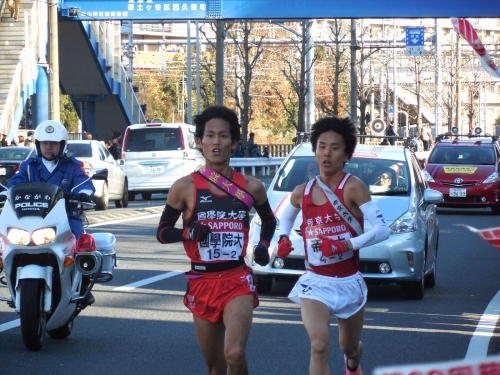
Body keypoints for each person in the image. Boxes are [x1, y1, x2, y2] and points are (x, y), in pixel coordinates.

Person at [156, 105, 276, 375]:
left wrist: (263, 246)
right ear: (199, 142)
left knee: (234, 353)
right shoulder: (184, 187)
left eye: (223, 136)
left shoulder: (251, 186)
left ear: (234, 143)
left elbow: (270, 221)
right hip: (202, 282)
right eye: (209, 136)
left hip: (237, 279)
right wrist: (188, 232)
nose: (216, 142)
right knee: (216, 367)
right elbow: (162, 232)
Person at [275, 116, 390, 375]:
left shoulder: (354, 187)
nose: (327, 153)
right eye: (322, 146)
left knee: (347, 347)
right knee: (318, 346)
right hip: (315, 282)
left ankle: (353, 362)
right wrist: (284, 239)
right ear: (314, 151)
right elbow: (286, 216)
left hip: (348, 281)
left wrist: (345, 244)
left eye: (335, 148)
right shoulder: (301, 191)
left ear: (347, 154)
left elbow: (383, 230)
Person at [0, 120, 96, 305]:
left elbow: (85, 182)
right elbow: (15, 183)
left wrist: (85, 193)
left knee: (81, 243)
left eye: (53, 143)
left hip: (66, 218)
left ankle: (83, 285)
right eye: (44, 143)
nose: (48, 147)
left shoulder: (72, 166)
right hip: (30, 218)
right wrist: (6, 192)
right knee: (6, 241)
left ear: (62, 145)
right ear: (38, 145)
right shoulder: (30, 166)